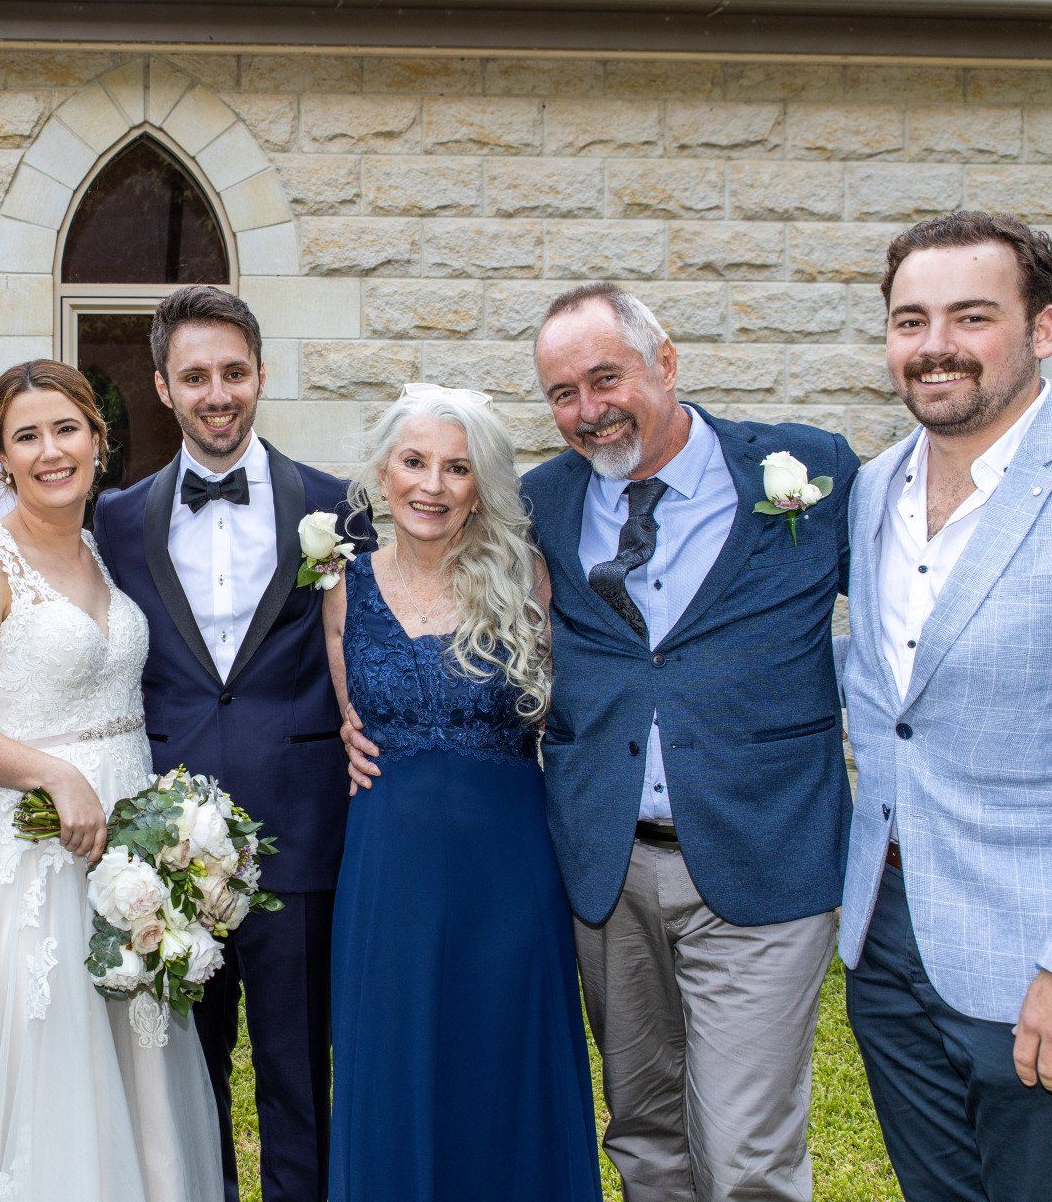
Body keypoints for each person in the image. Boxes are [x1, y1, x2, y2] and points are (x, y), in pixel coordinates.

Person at [351, 282, 859, 1202]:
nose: (587, 411)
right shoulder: (541, 504)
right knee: (645, 1135)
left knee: (745, 1152)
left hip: (761, 855)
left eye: (604, 378)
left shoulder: (806, 473)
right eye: (562, 394)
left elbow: (913, 608)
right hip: (604, 870)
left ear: (665, 362)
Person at [0, 360, 222, 1202]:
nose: (50, 451)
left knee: (135, 1060)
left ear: (100, 440)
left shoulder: (98, 549)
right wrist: (54, 774)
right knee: (50, 1067)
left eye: (66, 429)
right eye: (26, 437)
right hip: (35, 847)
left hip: (129, 845)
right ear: (0, 458)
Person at [92, 285, 369, 1202]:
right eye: (196, 376)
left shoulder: (338, 509)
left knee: (299, 1079)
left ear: (261, 374)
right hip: (163, 848)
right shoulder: (116, 520)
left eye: (235, 373)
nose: (219, 393)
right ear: (164, 388)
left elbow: (372, 648)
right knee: (184, 1086)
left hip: (299, 831)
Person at [324, 384, 599, 1202]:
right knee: (391, 1065)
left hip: (507, 875)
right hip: (388, 871)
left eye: (457, 468)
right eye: (415, 462)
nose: (432, 486)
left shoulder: (530, 583)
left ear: (482, 484)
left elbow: (574, 711)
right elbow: (349, 716)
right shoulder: (341, 585)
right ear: (382, 470)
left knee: (502, 1071)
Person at [839, 210, 1052, 1202]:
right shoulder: (871, 487)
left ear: (1042, 328)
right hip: (887, 934)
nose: (935, 348)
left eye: (971, 316)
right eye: (910, 319)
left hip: (1028, 957)